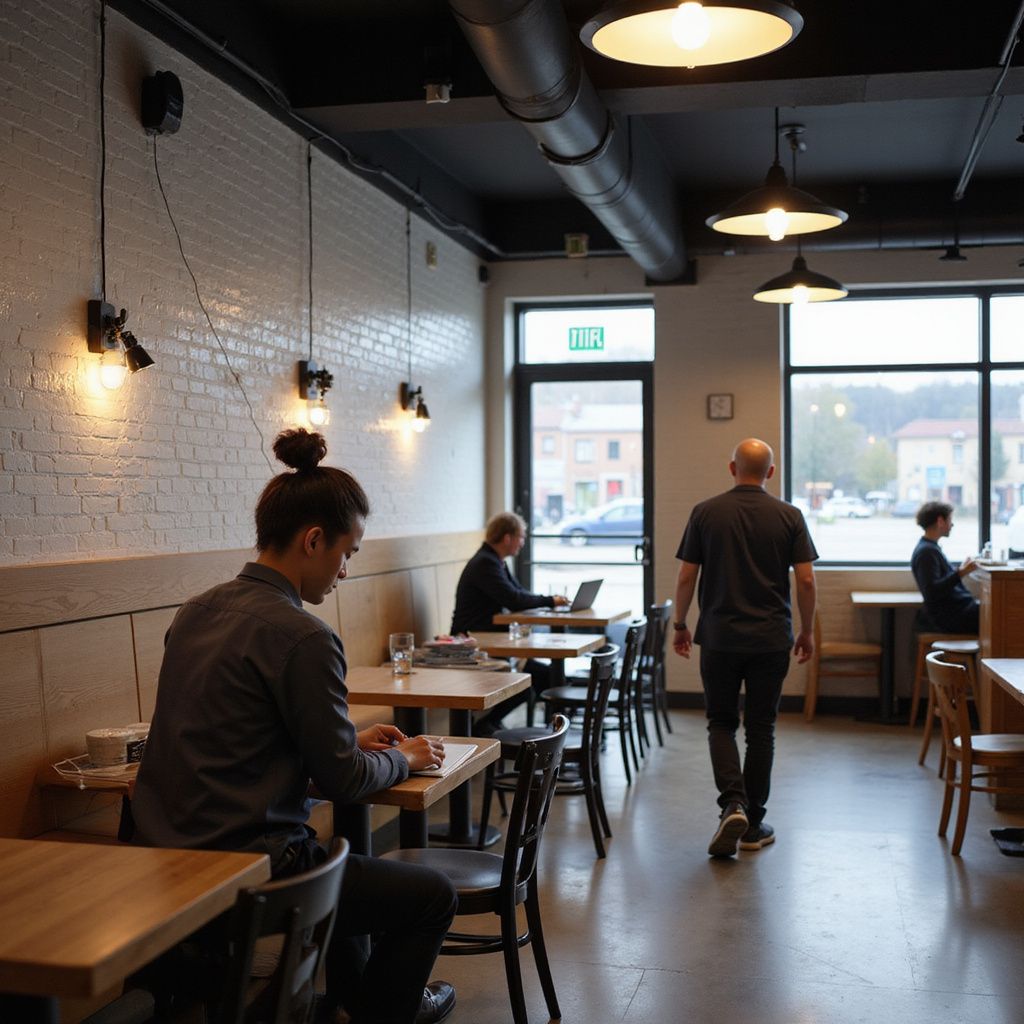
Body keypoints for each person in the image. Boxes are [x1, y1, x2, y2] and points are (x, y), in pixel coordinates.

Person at [132, 429, 457, 1024]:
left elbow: (233, 736)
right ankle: (386, 1010)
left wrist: (346, 742)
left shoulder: (195, 610)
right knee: (431, 896)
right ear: (314, 540)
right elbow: (340, 779)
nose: (344, 573)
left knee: (340, 860)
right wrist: (404, 759)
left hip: (159, 860)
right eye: (347, 554)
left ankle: (355, 998)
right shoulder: (305, 635)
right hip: (252, 871)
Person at [672, 438, 817, 858]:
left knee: (720, 723)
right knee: (761, 729)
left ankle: (731, 804)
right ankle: (753, 823)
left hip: (719, 637)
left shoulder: (705, 512)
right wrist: (806, 631)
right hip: (771, 639)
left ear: (731, 467)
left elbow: (686, 577)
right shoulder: (790, 515)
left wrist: (681, 624)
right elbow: (806, 581)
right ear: (770, 472)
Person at [451, 511, 569, 734]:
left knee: (542, 677)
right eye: (521, 537)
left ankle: (548, 735)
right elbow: (515, 600)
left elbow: (518, 594)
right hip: (470, 644)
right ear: (507, 538)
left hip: (487, 639)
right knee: (532, 682)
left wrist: (546, 601)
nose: (523, 543)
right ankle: (487, 726)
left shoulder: (495, 561)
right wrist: (551, 600)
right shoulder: (486, 563)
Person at [910, 501, 979, 633]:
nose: (952, 525)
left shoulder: (930, 548)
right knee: (999, 616)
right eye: (950, 520)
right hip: (949, 617)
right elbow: (933, 591)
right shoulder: (927, 552)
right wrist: (960, 573)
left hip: (954, 612)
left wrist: (959, 571)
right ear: (940, 521)